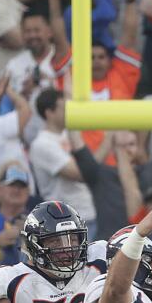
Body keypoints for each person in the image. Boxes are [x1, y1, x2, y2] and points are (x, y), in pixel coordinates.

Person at [29, 88, 96, 225]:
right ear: (49, 113)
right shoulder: (42, 144)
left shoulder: (68, 134)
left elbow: (91, 166)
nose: (69, 112)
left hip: (88, 213)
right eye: (64, 108)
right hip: (67, 220)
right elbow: (82, 174)